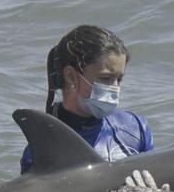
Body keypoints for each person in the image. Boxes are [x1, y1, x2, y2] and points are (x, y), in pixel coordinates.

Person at [20, 25, 153, 174]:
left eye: (119, 79)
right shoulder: (44, 151)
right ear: (71, 76)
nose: (115, 88)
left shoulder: (135, 129)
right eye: (105, 78)